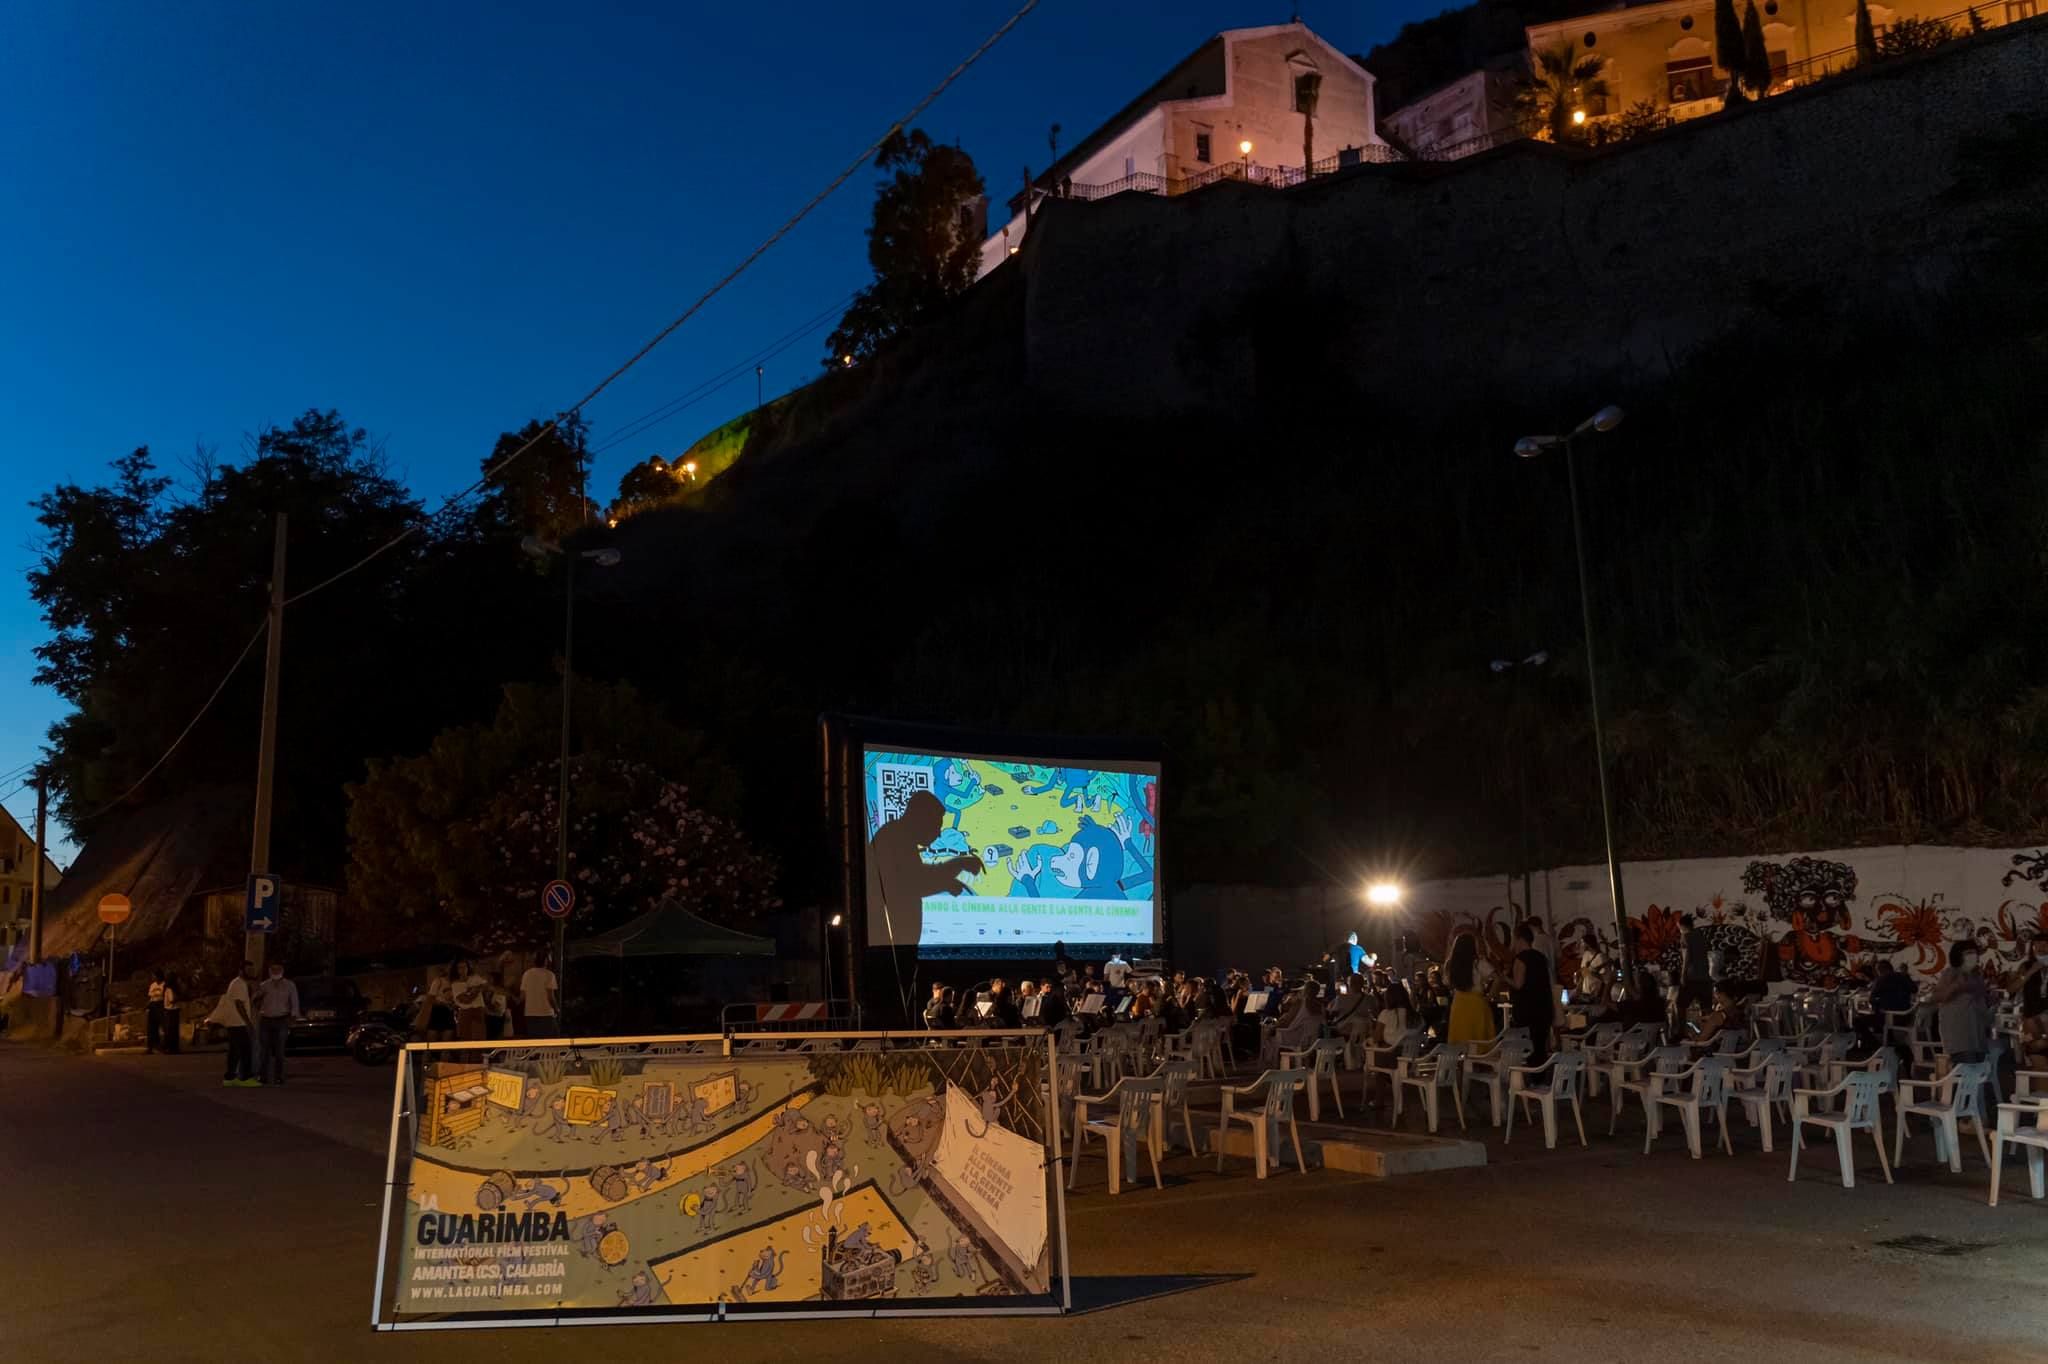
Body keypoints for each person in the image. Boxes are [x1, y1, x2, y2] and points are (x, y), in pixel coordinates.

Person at [1933, 939, 1992, 1066]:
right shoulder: (1951, 973)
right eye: (1968, 953)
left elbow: (1981, 998)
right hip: (1959, 1032)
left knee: (1977, 1071)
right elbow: (1938, 996)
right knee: (1965, 1070)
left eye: (1974, 952)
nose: (1973, 956)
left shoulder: (1976, 975)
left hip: (1977, 1031)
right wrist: (1956, 986)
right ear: (1959, 956)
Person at [1509, 923, 1554, 1065]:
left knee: (1528, 1048)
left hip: (1527, 1010)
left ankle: (1531, 1079)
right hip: (1544, 1007)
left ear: (1519, 939)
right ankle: (1540, 1078)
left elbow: (1518, 984)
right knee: (1540, 1047)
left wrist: (1503, 978)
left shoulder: (1521, 958)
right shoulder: (1540, 957)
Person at [207, 961, 258, 1087]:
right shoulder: (239, 984)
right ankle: (246, 1078)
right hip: (238, 1023)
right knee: (246, 1050)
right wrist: (248, 1023)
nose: (251, 972)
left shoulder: (238, 983)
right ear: (241, 970)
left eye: (252, 970)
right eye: (248, 970)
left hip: (234, 1022)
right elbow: (239, 1004)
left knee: (235, 1051)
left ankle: (230, 1077)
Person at [253, 960, 301, 1085]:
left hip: (281, 1019)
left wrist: (293, 1018)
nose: (275, 972)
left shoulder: (290, 985)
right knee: (264, 1050)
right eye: (273, 969)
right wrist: (257, 997)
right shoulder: (264, 985)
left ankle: (279, 1076)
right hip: (266, 1019)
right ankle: (263, 1076)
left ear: (282, 971)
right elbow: (255, 1000)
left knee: (280, 1050)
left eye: (277, 969)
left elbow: (294, 1002)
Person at [1445, 932, 1496, 1045]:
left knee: (1460, 1036)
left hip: (1459, 1002)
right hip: (1477, 1002)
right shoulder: (1479, 963)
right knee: (1479, 1040)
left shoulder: (1450, 964)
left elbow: (1447, 983)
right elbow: (1497, 978)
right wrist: (1490, 996)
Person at [1676, 915, 1714, 1020]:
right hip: (1705, 977)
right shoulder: (1701, 935)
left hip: (1691, 977)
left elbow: (1686, 957)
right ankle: (1709, 1031)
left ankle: (1681, 1031)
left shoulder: (1685, 937)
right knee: (1706, 1007)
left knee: (1681, 1005)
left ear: (1682, 925)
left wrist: (1683, 975)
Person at [520, 950, 561, 1037]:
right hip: (546, 1013)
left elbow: (523, 996)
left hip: (530, 1014)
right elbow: (550, 997)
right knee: (551, 1041)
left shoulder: (526, 974)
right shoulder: (549, 975)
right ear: (546, 961)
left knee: (535, 1042)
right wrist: (557, 1009)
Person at [1693, 983, 1747, 1048]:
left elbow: (1701, 1039)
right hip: (1739, 1050)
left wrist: (1692, 1036)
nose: (1713, 995)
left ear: (1722, 994)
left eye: (1715, 993)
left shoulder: (1717, 1016)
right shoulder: (1738, 1008)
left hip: (1715, 1052)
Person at [451, 958, 489, 1042]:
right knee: (466, 1038)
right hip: (466, 1012)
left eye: (464, 967)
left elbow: (486, 985)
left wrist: (475, 988)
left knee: (480, 1039)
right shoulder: (455, 984)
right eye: (460, 968)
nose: (463, 970)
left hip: (478, 1011)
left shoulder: (475, 978)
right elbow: (466, 1000)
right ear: (457, 970)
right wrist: (477, 989)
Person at [424, 966, 456, 1042]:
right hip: (438, 1011)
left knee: (447, 1039)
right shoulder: (438, 981)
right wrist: (444, 1004)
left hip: (449, 1012)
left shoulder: (455, 983)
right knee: (432, 1038)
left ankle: (444, 1052)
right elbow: (431, 998)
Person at [161, 971, 182, 1054]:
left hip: (169, 1010)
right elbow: (172, 999)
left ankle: (171, 1048)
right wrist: (179, 997)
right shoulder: (170, 989)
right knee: (172, 1031)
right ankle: (171, 1048)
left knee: (171, 1030)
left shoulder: (167, 988)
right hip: (171, 1010)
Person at [146, 969, 166, 1054]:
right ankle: (151, 1046)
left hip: (161, 1004)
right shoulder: (153, 985)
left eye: (154, 976)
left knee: (162, 1026)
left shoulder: (164, 984)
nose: (153, 977)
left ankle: (162, 1045)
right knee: (151, 1027)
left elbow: (163, 995)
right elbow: (150, 996)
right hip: (153, 1004)